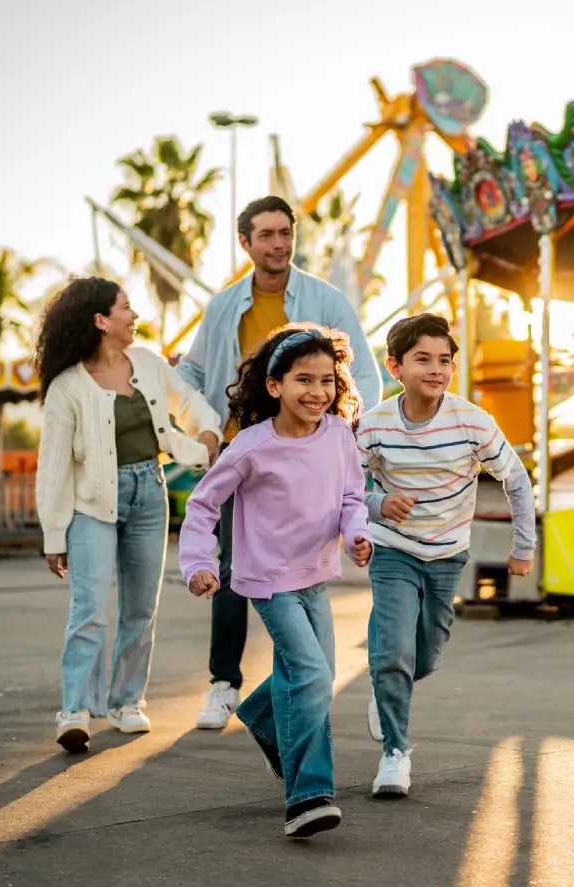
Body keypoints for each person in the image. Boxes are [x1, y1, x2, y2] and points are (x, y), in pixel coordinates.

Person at [176, 195, 382, 730]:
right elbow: (192, 374)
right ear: (245, 242)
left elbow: (364, 374)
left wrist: (348, 440)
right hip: (241, 450)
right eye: (265, 234)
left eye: (284, 233)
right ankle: (224, 683)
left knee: (304, 577)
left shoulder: (325, 298)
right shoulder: (224, 306)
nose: (277, 244)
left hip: (306, 452)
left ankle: (280, 697)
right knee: (229, 569)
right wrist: (199, 428)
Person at [179, 324, 373, 838]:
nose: (317, 392)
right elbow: (202, 505)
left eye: (328, 381)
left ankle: (264, 716)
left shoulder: (337, 436)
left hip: (315, 576)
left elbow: (353, 497)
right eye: (303, 380)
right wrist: (198, 563)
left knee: (318, 675)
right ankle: (307, 795)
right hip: (266, 581)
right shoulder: (250, 446)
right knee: (310, 677)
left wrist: (357, 535)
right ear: (274, 386)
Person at [35, 278, 221, 754]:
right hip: (92, 505)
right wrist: (54, 534)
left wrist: (207, 432)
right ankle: (74, 709)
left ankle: (126, 702)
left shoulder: (150, 365)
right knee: (90, 611)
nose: (134, 315)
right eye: (126, 308)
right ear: (101, 321)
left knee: (141, 608)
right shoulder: (67, 387)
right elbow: (53, 467)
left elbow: (187, 400)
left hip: (149, 494)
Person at [356, 313, 537, 798]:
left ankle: (384, 682)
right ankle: (395, 753)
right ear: (395, 366)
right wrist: (376, 504)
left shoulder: (472, 422)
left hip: (448, 554)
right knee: (394, 650)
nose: (436, 369)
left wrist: (523, 547)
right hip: (393, 550)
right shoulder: (373, 425)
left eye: (445, 361)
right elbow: (345, 486)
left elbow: (516, 480)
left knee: (427, 658)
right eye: (423, 359)